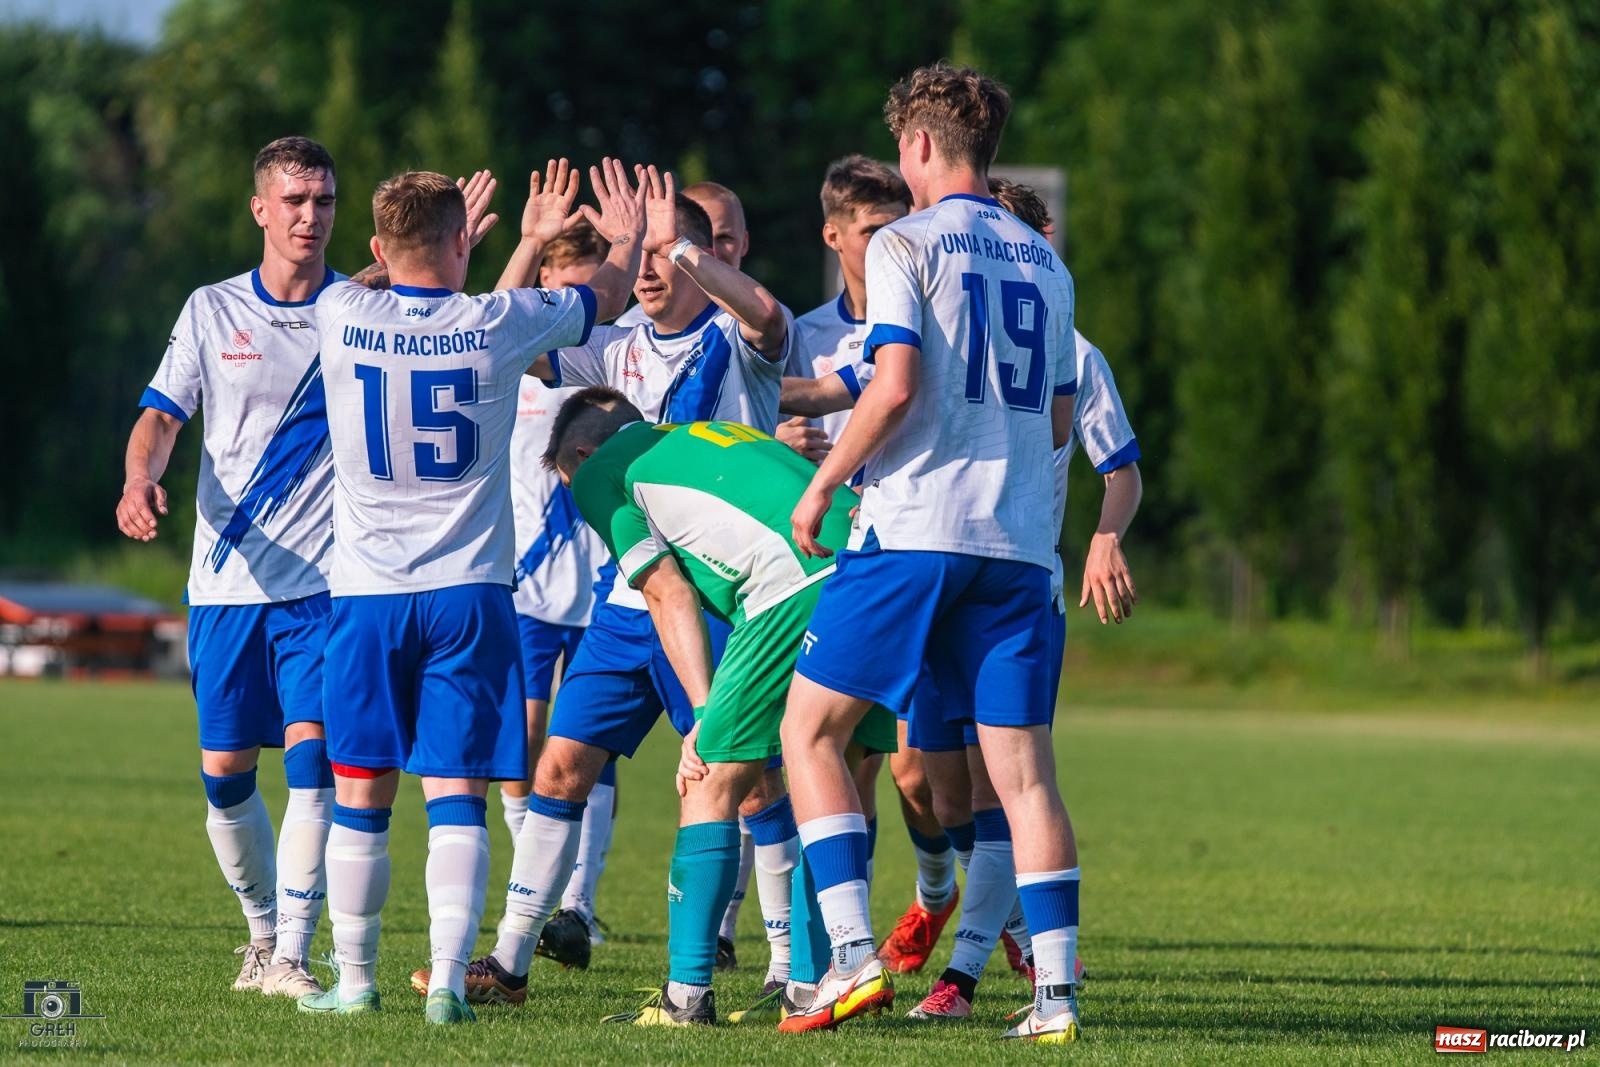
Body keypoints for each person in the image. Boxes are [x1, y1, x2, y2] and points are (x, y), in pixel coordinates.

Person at [415, 166, 801, 1008]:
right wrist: (528, 248)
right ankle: (510, 961)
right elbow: (495, 339)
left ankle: (788, 963)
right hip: (627, 607)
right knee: (557, 767)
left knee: (752, 783)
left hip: (726, 604)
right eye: (647, 255)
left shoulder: (735, 341)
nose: (654, 268)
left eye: (669, 254)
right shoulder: (613, 343)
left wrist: (683, 245)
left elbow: (770, 317)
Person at [296, 158, 645, 1024]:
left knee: (360, 787)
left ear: (377, 246)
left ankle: (354, 979)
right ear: (463, 241)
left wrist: (430, 247)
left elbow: (388, 272)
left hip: (369, 594)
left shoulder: (342, 311)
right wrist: (626, 237)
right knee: (458, 793)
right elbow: (600, 294)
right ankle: (450, 980)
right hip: (472, 594)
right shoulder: (496, 321)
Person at [777, 63, 1085, 1043]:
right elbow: (1059, 417)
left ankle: (849, 955)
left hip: (914, 532)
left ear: (915, 146)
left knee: (810, 730)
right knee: (1024, 776)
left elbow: (896, 380)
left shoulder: (906, 241)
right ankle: (1054, 999)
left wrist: (828, 481)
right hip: (1019, 548)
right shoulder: (1046, 262)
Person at [541, 389, 895, 1025]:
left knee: (707, 778)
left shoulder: (602, 472)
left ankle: (686, 997)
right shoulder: (705, 433)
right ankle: (822, 981)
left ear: (583, 454)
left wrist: (703, 714)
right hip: (877, 568)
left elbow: (667, 595)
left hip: (793, 583)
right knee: (843, 773)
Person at [117, 137, 351, 1000]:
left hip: (326, 589)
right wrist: (140, 477)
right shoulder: (212, 309)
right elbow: (161, 415)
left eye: (323, 200)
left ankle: (293, 949)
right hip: (226, 587)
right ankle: (260, 932)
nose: (309, 215)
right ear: (260, 208)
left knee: (315, 763)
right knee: (224, 778)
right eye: (293, 200)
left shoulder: (358, 313)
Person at [778, 156, 966, 976]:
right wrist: (781, 439)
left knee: (918, 774)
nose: (893, 238)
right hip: (835, 560)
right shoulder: (808, 333)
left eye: (901, 221)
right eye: (873, 228)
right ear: (834, 236)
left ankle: (935, 892)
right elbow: (779, 399)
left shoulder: (933, 307)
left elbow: (888, 395)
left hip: (918, 547)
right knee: (836, 753)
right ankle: (828, 955)